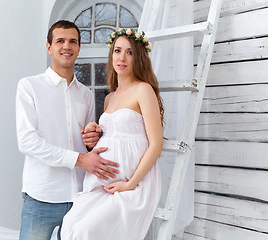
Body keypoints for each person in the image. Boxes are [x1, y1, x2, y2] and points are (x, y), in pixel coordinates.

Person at [15, 20, 119, 240]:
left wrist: (93, 138)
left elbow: (87, 143)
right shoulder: (29, 86)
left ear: (79, 48)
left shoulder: (86, 94)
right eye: (60, 40)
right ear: (49, 47)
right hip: (41, 195)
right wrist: (80, 159)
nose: (67, 46)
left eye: (73, 41)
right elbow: (27, 142)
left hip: (79, 197)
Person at [61, 28, 164, 240]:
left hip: (133, 183)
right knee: (69, 225)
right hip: (101, 181)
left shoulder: (143, 90)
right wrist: (95, 135)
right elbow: (114, 135)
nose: (122, 58)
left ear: (139, 57)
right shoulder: (110, 98)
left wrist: (130, 184)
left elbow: (156, 145)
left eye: (129, 52)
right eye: (117, 50)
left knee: (85, 231)